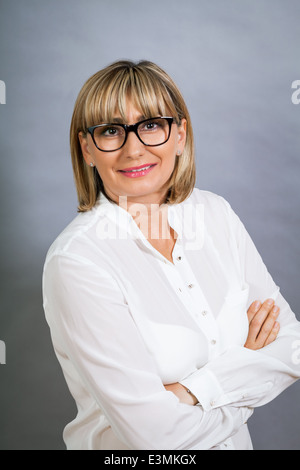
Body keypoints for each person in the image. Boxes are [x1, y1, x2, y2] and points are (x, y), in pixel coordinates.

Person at [42, 60, 300, 450]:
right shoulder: (78, 262)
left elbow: (292, 347)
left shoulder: (216, 215)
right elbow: (154, 439)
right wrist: (247, 372)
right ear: (87, 149)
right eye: (111, 131)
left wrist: (186, 392)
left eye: (151, 125)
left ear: (180, 135)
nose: (133, 149)